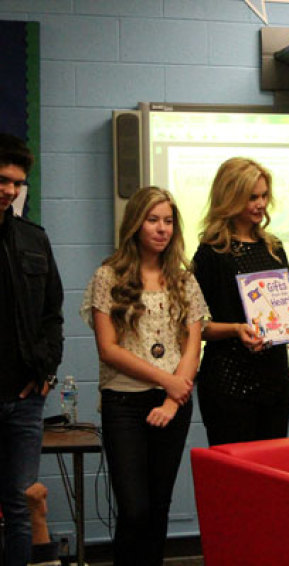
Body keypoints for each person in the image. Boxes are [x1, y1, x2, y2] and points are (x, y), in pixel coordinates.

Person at [81, 186, 208, 565]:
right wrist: (166, 380)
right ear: (136, 224)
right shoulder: (109, 277)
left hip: (173, 404)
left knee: (157, 507)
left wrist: (172, 398)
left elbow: (192, 347)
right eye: (153, 220)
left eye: (168, 221)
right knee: (134, 509)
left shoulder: (185, 281)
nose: (161, 228)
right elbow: (109, 348)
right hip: (125, 403)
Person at [192, 157, 289, 446]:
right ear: (231, 197)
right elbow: (194, 327)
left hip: (274, 379)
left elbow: (281, 304)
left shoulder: (274, 248)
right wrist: (236, 329)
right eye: (252, 197)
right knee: (235, 469)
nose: (261, 204)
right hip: (229, 380)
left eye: (264, 196)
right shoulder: (211, 253)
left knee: (272, 466)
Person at [0, 133, 64, 566]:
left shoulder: (32, 239)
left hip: (24, 400)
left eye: (16, 183)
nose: (9, 190)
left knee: (21, 505)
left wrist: (47, 372)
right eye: (2, 180)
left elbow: (52, 315)